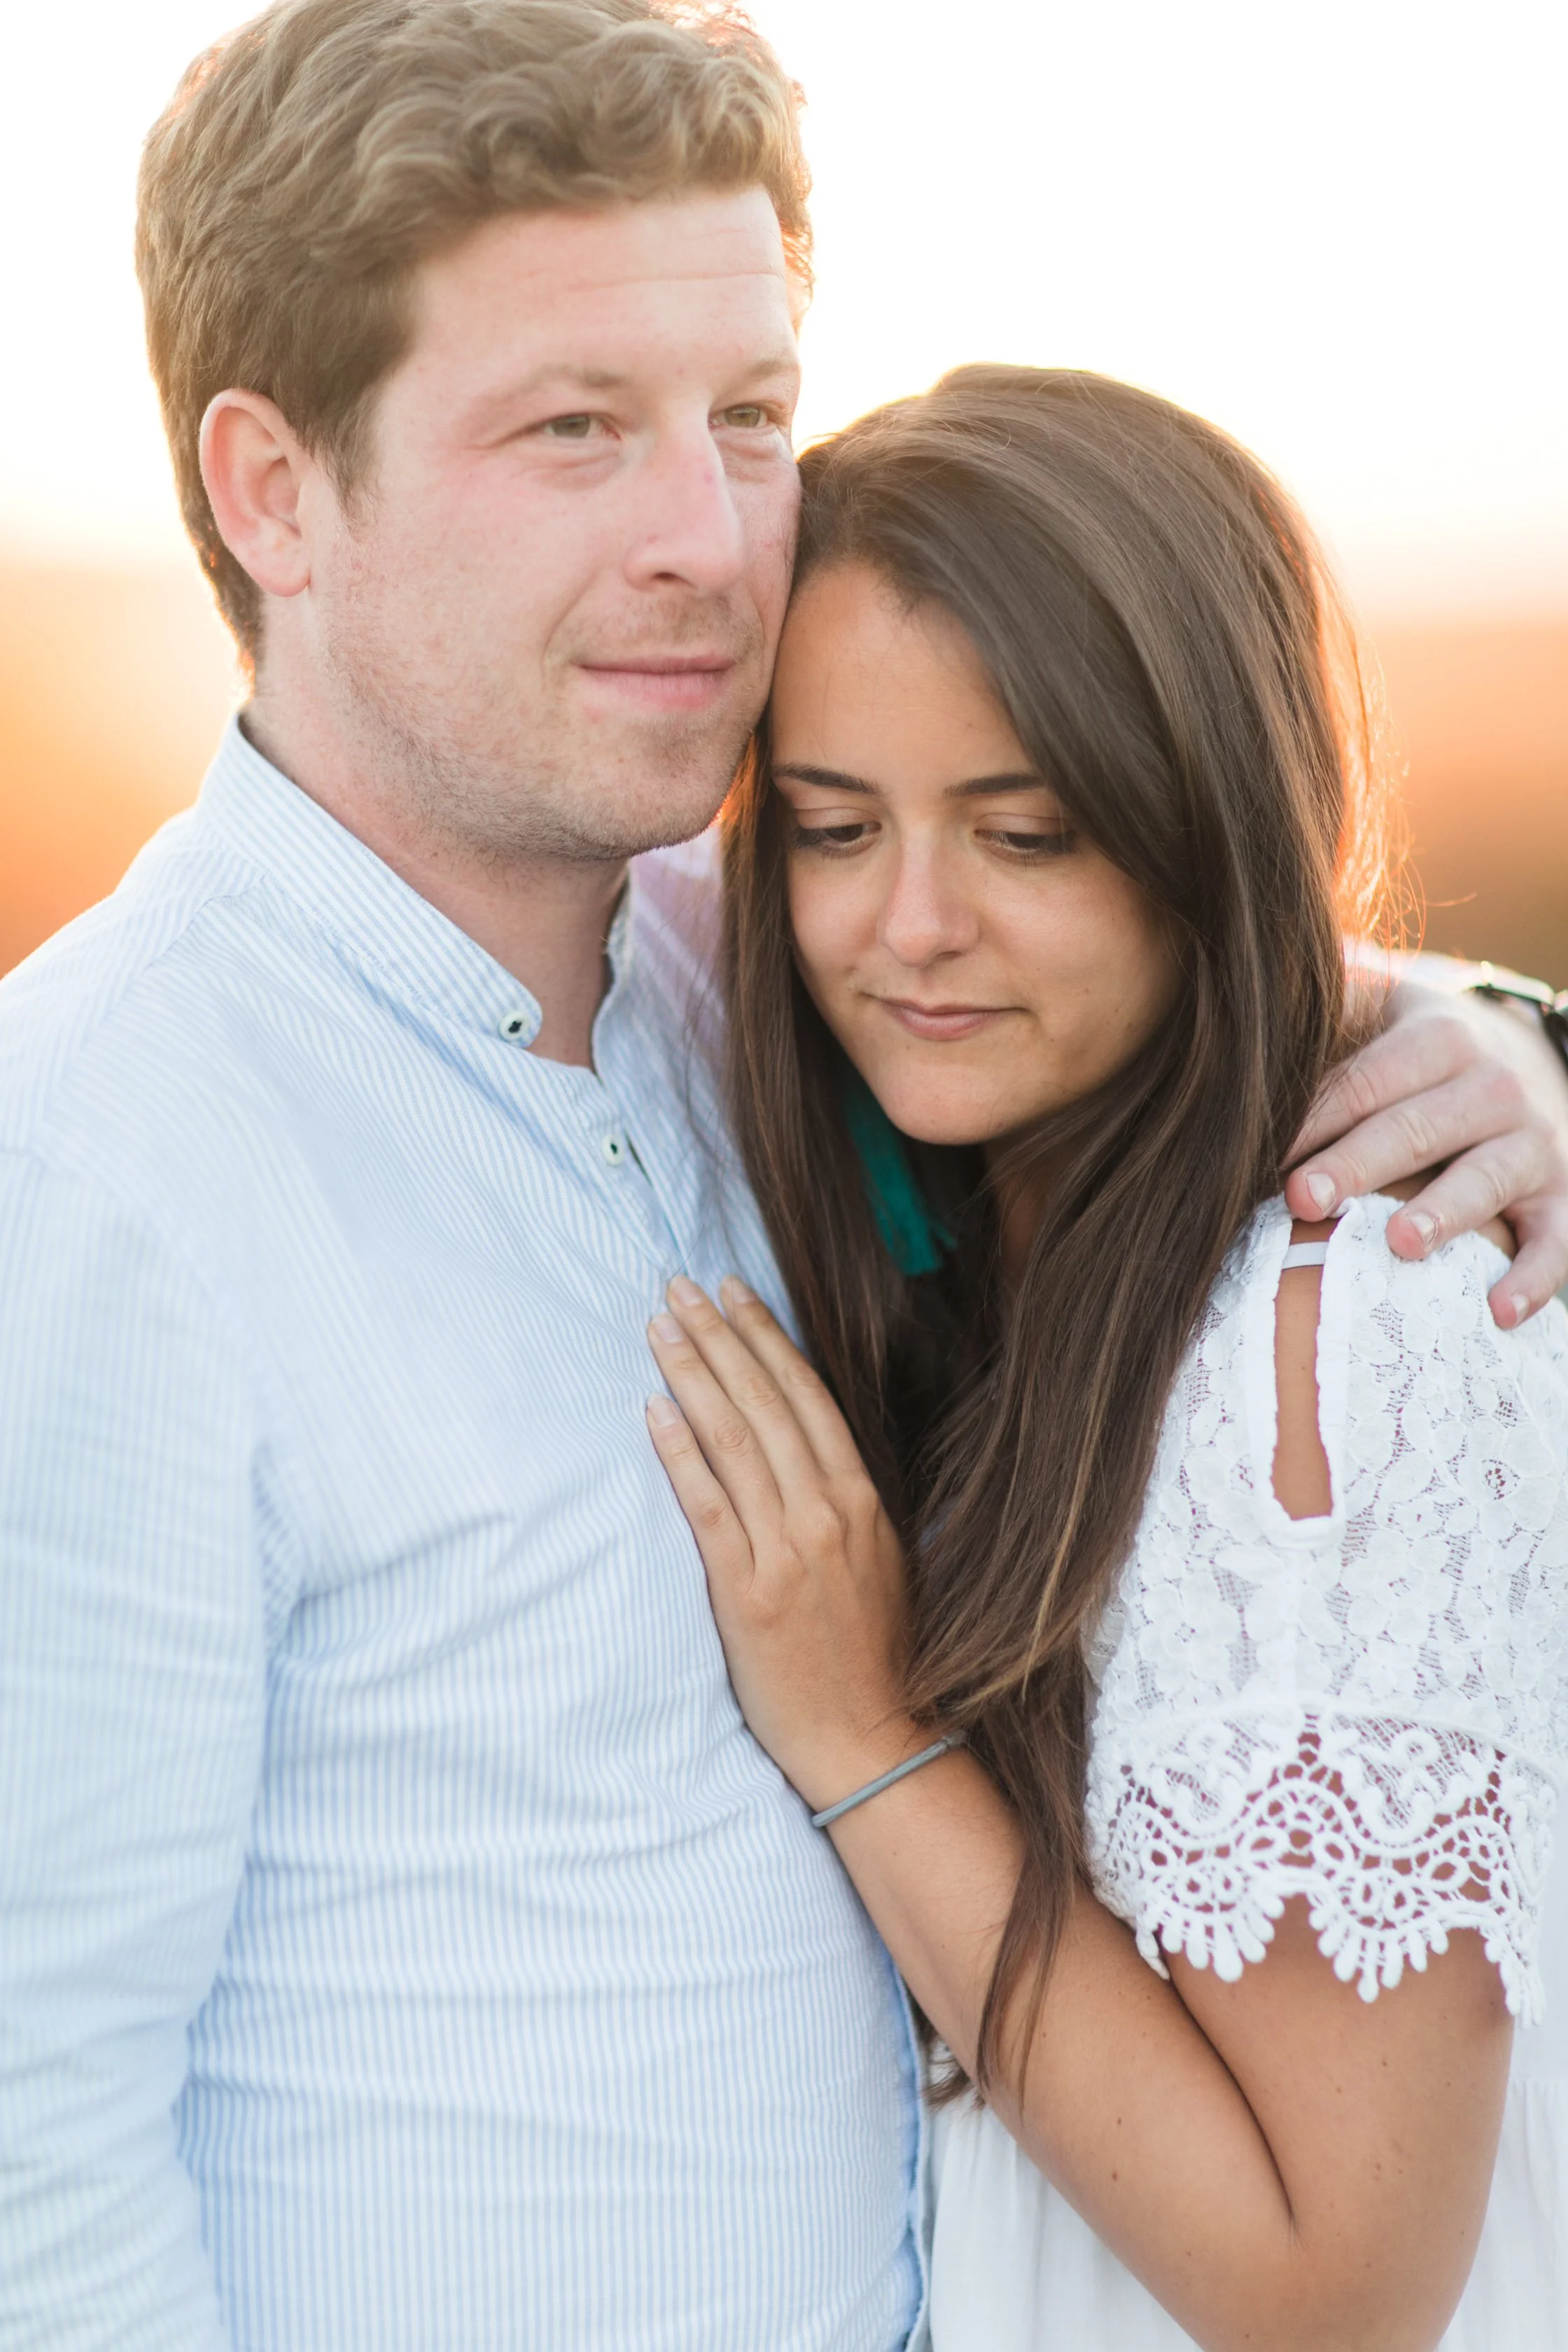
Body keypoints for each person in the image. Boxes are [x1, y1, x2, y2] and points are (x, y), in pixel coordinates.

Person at [0, 1, 1564, 2345]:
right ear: (269, 490)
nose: (710, 542)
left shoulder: (758, 981)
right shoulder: (95, 1162)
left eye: (748, 418)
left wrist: (1498, 1047)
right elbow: (33, 2150)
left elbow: (1152, 933)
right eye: (575, 434)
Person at [643, 367, 1568, 2351]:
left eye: (1028, 833)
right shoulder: (974, 1216)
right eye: (828, 826)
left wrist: (859, 1736)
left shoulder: (1327, 1350)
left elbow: (1343, 2293)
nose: (909, 928)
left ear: (1200, 828)